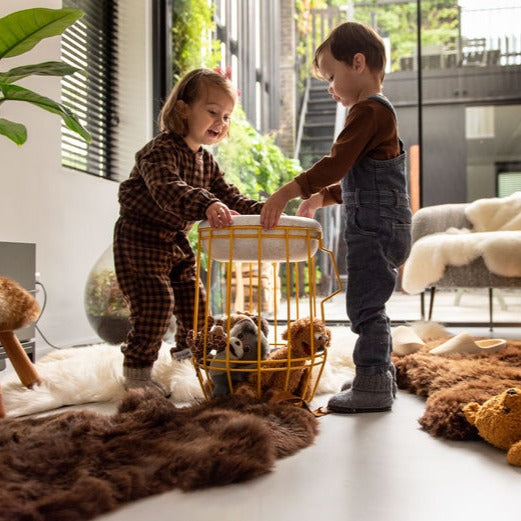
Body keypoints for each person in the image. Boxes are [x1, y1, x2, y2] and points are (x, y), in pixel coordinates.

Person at [260, 22, 412, 413]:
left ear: (357, 63)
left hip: (375, 229)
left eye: (332, 76)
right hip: (383, 223)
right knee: (371, 303)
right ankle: (377, 376)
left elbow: (336, 164)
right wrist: (319, 199)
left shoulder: (368, 111)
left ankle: (374, 382)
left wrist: (288, 192)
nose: (330, 87)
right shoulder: (375, 116)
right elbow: (362, 180)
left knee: (364, 307)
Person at [114, 68, 264, 396]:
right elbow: (168, 188)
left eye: (226, 117)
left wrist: (263, 210)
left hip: (175, 241)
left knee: (195, 303)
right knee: (155, 301)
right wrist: (207, 203)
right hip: (140, 237)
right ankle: (137, 373)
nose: (220, 123)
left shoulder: (206, 163)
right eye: (212, 112)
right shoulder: (159, 151)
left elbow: (230, 195)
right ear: (183, 109)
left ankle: (185, 360)